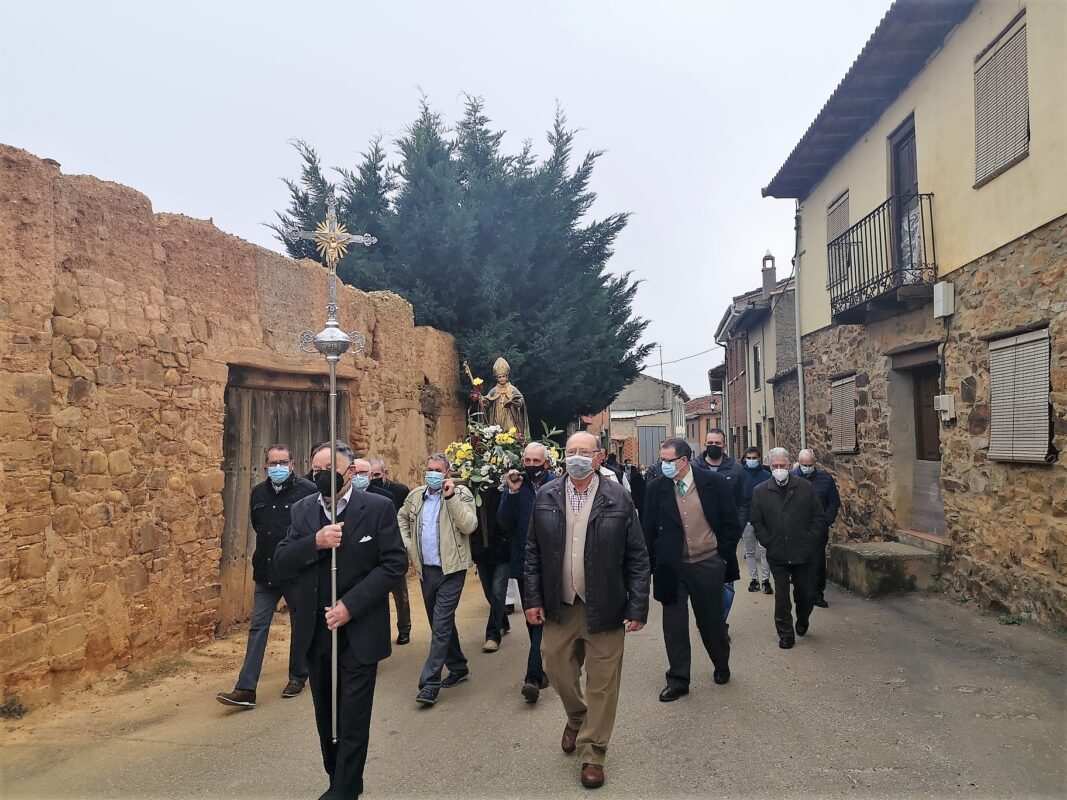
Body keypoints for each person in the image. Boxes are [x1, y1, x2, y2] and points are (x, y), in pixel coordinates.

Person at [273, 441, 407, 800]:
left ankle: (343, 792)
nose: (321, 475)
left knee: (352, 718)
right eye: (316, 469)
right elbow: (281, 560)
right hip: (317, 632)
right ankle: (342, 781)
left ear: (349, 472)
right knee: (327, 718)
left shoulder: (377, 508)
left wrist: (350, 606)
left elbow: (394, 564)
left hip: (360, 630)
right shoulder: (302, 510)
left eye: (329, 469)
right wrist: (315, 542)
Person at [524, 431, 650, 790]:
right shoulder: (546, 495)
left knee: (603, 683)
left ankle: (594, 752)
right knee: (556, 669)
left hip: (606, 605)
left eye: (584, 451)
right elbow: (532, 552)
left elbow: (638, 557)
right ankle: (578, 717)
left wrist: (637, 605)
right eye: (571, 451)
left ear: (599, 458)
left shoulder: (618, 497)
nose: (576, 457)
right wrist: (532, 599)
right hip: (560, 604)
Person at [216, 444, 318, 710]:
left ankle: (298, 676)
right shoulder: (258, 493)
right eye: (273, 463)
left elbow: (313, 531)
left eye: (283, 462)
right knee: (258, 627)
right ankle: (246, 688)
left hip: (297, 571)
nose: (278, 467)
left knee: (300, 625)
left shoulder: (308, 492)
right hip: (266, 571)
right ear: (265, 466)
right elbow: (258, 526)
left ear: (292, 464)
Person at [642, 438, 739, 702]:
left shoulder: (713, 483)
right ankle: (678, 679)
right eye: (661, 460)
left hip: (707, 563)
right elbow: (648, 529)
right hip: (671, 568)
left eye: (667, 460)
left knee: (711, 622)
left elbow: (731, 523)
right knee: (674, 626)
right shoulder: (656, 488)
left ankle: (721, 662)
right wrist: (652, 565)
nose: (662, 465)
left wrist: (721, 556)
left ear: (683, 461)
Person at [398, 453, 478, 707]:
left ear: (447, 472)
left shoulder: (461, 493)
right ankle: (458, 666)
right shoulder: (416, 496)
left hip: (452, 570)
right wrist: (409, 545)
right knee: (439, 623)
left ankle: (430, 683)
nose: (431, 474)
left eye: (437, 470)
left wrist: (451, 497)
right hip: (427, 570)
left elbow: (469, 525)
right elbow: (402, 518)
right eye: (429, 469)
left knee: (441, 623)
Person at [750, 447, 825, 649]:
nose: (779, 469)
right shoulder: (760, 491)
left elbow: (818, 517)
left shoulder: (805, 488)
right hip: (778, 553)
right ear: (770, 467)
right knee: (782, 597)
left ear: (790, 465)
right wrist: (768, 541)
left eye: (782, 465)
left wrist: (810, 540)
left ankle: (803, 618)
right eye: (775, 466)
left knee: (805, 593)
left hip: (802, 552)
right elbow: (757, 521)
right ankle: (785, 634)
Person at [497, 442, 555, 703]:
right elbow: (503, 522)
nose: (531, 465)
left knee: (544, 616)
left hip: (552, 561)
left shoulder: (556, 485)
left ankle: (532, 676)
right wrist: (511, 493)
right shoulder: (516, 486)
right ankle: (539, 669)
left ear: (546, 463)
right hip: (525, 562)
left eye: (536, 461)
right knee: (533, 615)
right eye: (527, 461)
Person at [356, 458, 411, 645]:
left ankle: (404, 628)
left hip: (388, 550)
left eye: (363, 474)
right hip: (365, 553)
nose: (358, 478)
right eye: (355, 473)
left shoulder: (388, 496)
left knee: (400, 593)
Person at [793, 449, 841, 608]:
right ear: (799, 463)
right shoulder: (791, 478)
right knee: (799, 562)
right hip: (797, 529)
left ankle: (817, 594)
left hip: (818, 529)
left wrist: (825, 521)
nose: (807, 468)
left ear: (815, 463)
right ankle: (802, 593)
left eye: (809, 465)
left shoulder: (825, 479)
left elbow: (833, 503)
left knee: (818, 562)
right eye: (804, 465)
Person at [739, 446, 773, 595]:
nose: (751, 460)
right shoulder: (740, 475)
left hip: (764, 519)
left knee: (765, 551)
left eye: (754, 458)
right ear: (745, 459)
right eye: (749, 458)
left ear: (759, 458)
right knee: (750, 552)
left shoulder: (767, 475)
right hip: (747, 519)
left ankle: (765, 580)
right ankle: (754, 580)